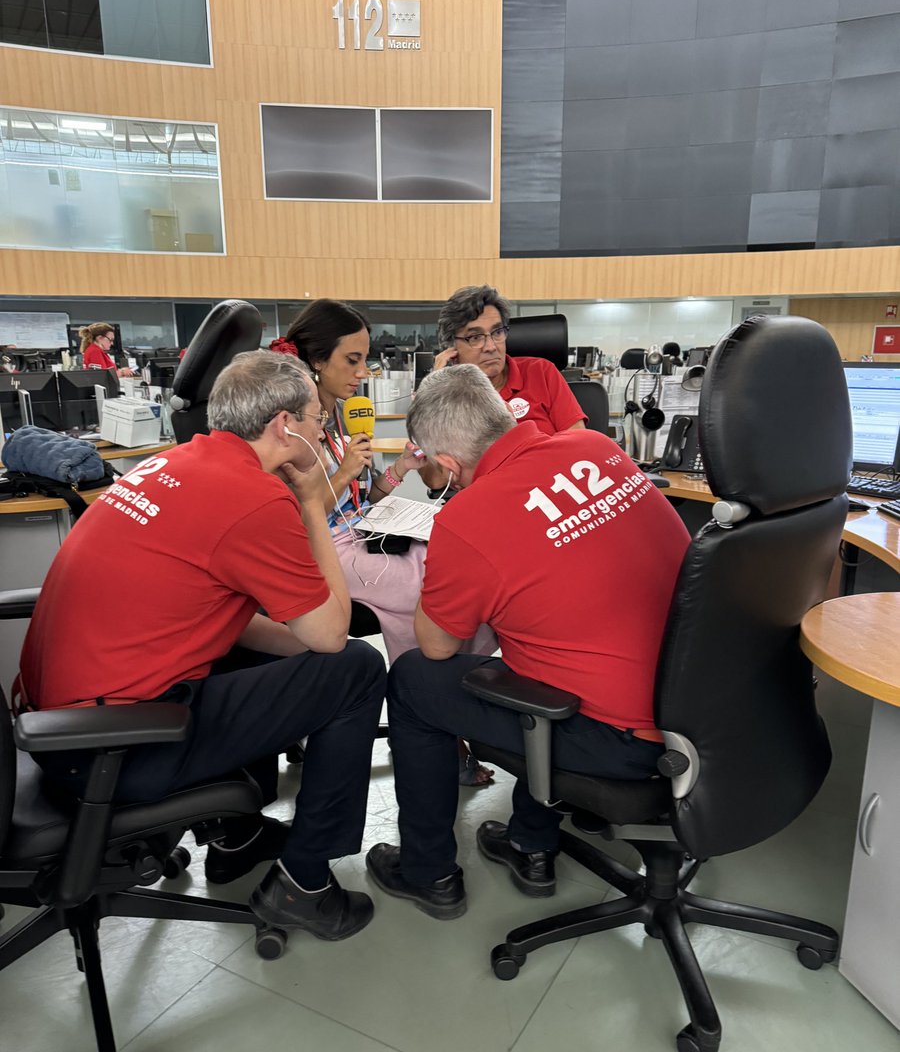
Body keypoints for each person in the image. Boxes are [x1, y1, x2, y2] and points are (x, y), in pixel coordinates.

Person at [18, 349, 386, 942]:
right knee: (360, 669)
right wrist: (314, 504)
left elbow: (213, 616)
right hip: (111, 748)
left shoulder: (175, 463)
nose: (325, 429)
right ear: (284, 426)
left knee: (281, 653)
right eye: (319, 418)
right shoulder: (255, 498)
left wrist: (306, 660)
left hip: (60, 721)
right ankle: (304, 883)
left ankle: (234, 836)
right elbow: (331, 634)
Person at [365, 365, 691, 919]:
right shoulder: (594, 444)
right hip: (698, 704)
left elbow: (439, 647)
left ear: (447, 464)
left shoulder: (468, 517)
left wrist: (453, 559)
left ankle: (428, 871)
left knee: (417, 680)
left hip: (626, 739)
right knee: (544, 654)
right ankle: (528, 841)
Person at [275, 300, 497, 787]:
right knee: (422, 592)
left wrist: (398, 472)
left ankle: (458, 706)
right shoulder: (290, 426)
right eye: (351, 360)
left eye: (364, 359)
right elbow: (297, 517)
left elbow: (360, 500)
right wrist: (345, 472)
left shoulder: (339, 421)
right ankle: (426, 717)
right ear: (316, 362)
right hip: (322, 551)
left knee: (455, 564)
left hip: (362, 529)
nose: (363, 372)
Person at [433, 285, 586, 433]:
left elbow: (579, 441)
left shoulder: (541, 372)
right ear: (452, 348)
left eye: (497, 332)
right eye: (475, 337)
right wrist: (436, 389)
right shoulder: (449, 395)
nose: (491, 347)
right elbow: (433, 452)